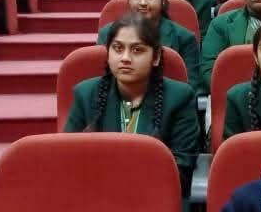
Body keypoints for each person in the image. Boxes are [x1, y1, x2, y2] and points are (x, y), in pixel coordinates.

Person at [66, 13, 200, 197]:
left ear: (156, 57)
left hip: (156, 198)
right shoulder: (85, 94)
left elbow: (181, 170)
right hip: (95, 196)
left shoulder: (179, 97)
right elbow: (68, 159)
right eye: (118, 48)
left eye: (137, 50)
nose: (125, 58)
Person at [97, 0, 205, 96]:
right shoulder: (107, 33)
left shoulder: (184, 38)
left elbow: (189, 89)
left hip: (168, 103)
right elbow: (103, 79)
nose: (142, 2)